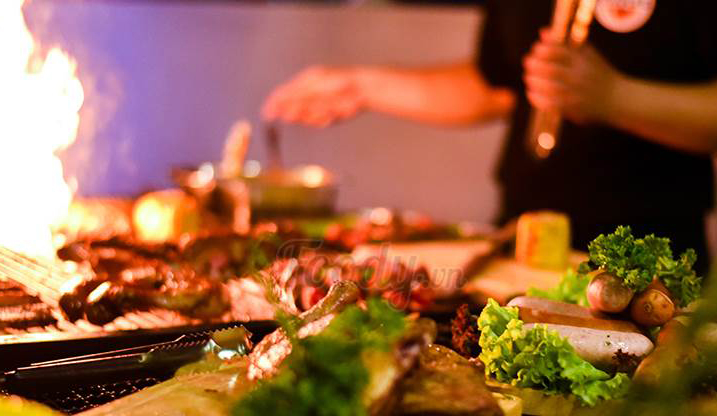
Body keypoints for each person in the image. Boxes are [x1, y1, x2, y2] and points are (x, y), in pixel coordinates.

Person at [262, 0, 717, 272]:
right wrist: (362, 86)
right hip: (520, 238)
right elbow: (499, 86)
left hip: (652, 256)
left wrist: (616, 97)